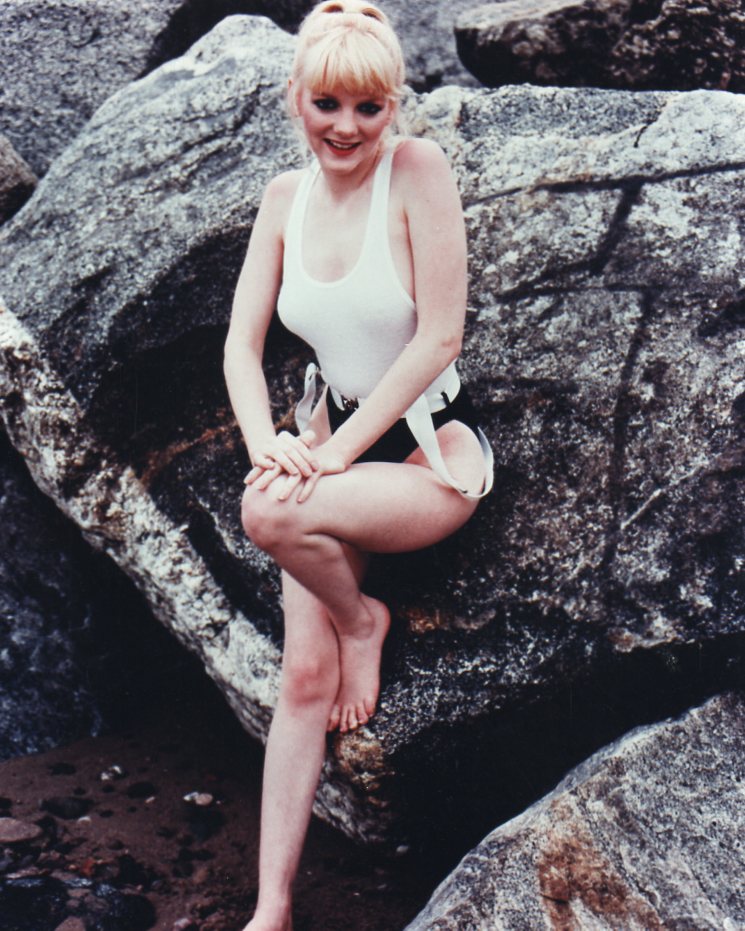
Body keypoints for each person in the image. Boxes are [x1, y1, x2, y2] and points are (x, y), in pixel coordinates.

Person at [223, 2, 493, 927]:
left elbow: (440, 336)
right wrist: (267, 442)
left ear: (393, 107)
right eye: (327, 104)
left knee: (268, 514)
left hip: (423, 452)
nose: (345, 127)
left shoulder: (417, 170)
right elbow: (240, 345)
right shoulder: (282, 199)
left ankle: (360, 618)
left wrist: (329, 457)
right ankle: (272, 907)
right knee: (303, 677)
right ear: (295, 98)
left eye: (368, 108)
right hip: (325, 444)